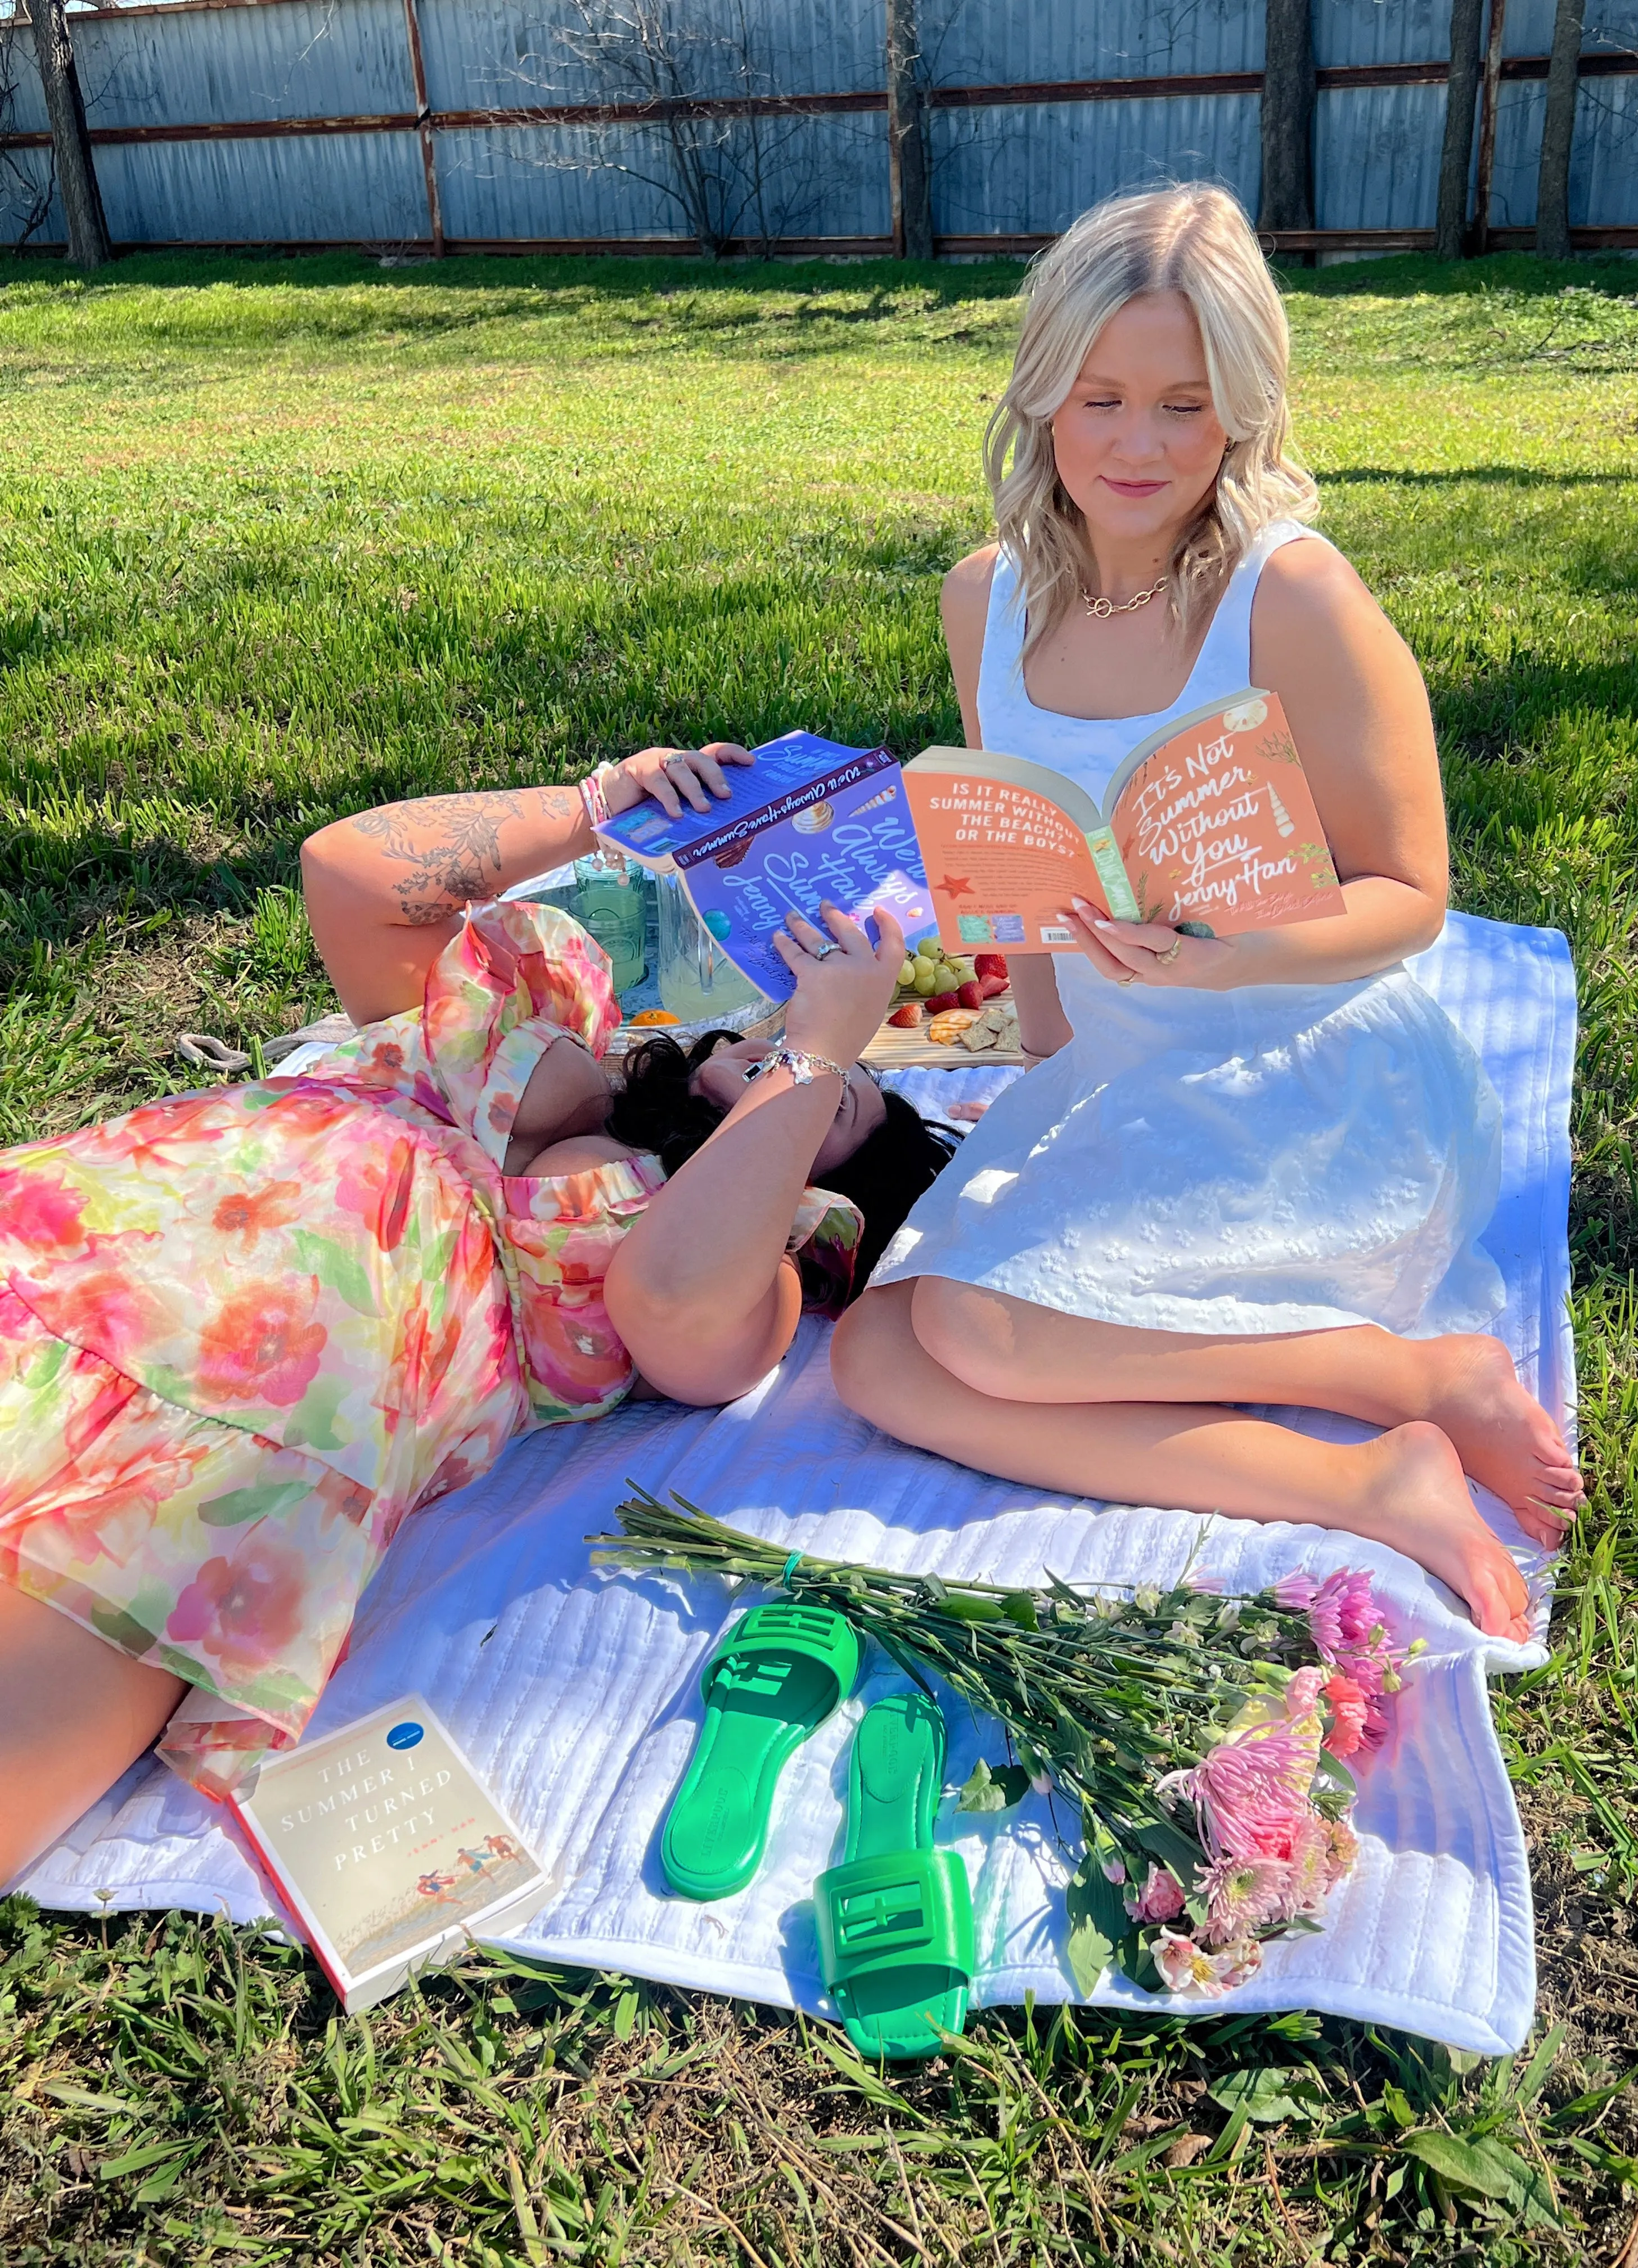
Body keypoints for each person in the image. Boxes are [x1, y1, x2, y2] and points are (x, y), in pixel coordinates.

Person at [832, 184, 1583, 1642]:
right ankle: (1368, 1485)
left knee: (978, 1329)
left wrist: (1240, 951)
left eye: (1184, 405)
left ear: (1242, 411)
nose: (1135, 443)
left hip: (1308, 1072)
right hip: (1125, 1062)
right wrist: (1046, 1079)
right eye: (1100, 397)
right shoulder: (986, 597)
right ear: (1042, 389)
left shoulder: (1292, 598)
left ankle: (1416, 1387)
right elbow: (1030, 869)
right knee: (878, 1361)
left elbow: (1414, 901)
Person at [0, 743, 953, 1878]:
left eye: (838, 1107)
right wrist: (601, 810)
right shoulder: (556, 1022)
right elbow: (350, 878)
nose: (801, 1066)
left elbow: (668, 1298)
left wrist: (823, 1052)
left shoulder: (761, 1267)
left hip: (235, 1432)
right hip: (73, 1235)